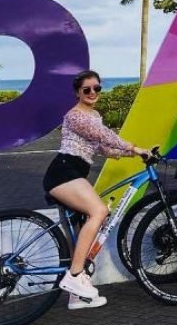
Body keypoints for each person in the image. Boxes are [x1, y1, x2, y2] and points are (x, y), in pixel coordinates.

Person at [43, 70, 150, 310]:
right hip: (64, 172)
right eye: (87, 89)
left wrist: (136, 154)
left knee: (81, 236)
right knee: (99, 212)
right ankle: (73, 277)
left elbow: (105, 148)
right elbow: (103, 135)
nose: (93, 93)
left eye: (97, 88)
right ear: (78, 92)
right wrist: (136, 147)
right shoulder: (75, 115)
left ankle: (76, 297)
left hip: (75, 175)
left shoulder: (95, 115)